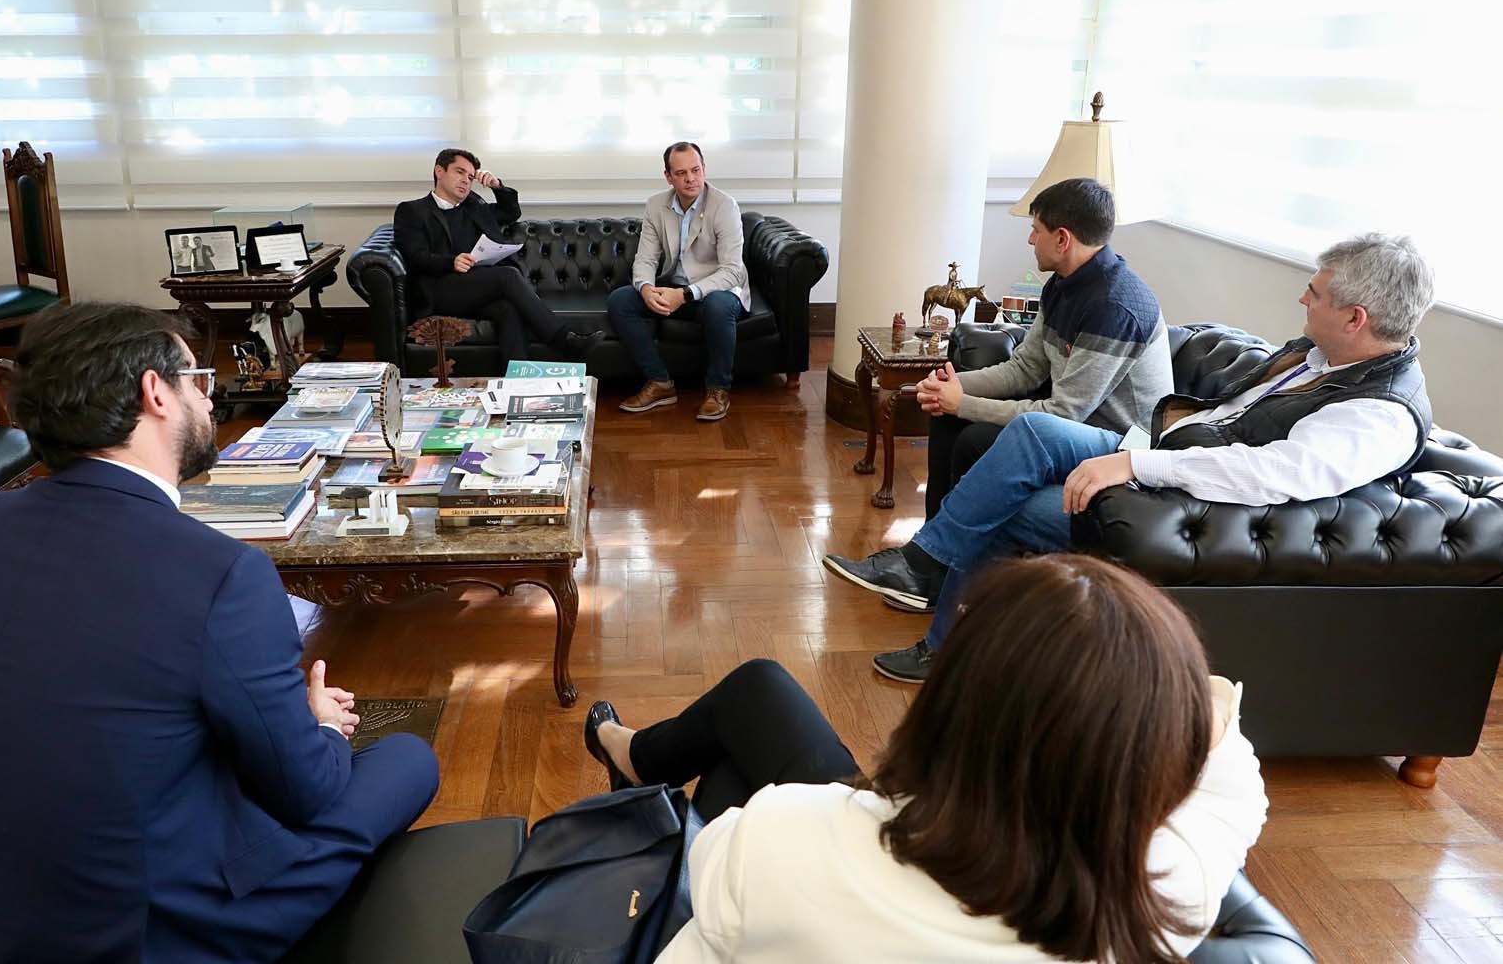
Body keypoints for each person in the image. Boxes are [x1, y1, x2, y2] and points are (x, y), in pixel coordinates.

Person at [0, 302, 441, 962]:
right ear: (155, 392)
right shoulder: (222, 572)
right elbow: (308, 793)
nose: (208, 398)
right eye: (197, 379)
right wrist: (323, 728)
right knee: (406, 760)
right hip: (142, 938)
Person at [582, 554, 1268, 963]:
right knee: (755, 706)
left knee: (746, 726)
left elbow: (708, 886)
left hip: (838, 859)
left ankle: (634, 759)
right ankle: (636, 758)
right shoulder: (1171, 894)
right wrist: (1159, 684)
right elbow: (1235, 780)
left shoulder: (778, 835)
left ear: (948, 704)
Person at [826, 232, 1437, 682]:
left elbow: (1265, 474)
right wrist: (1143, 449)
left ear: (1355, 317)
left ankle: (946, 648)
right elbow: (1226, 419)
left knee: (1009, 503)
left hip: (1180, 503)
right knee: (1035, 433)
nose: (1303, 297)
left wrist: (1136, 465)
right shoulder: (1323, 357)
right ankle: (924, 562)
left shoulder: (1376, 416)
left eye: (1316, 293)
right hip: (1158, 448)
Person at [915, 178, 1171, 552]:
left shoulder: (1113, 307)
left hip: (1119, 445)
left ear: (1062, 239)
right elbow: (1024, 368)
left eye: (1036, 230)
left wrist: (964, 404)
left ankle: (946, 553)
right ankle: (931, 546)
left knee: (974, 438)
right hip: (1076, 426)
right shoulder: (1061, 285)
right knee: (946, 418)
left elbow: (1064, 414)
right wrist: (951, 388)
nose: (1030, 239)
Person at [392, 147, 602, 363]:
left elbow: (511, 212)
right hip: (440, 288)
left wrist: (497, 187)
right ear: (439, 171)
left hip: (476, 286)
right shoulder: (412, 210)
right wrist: (451, 262)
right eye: (459, 172)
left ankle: (517, 377)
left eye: (470, 177)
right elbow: (414, 255)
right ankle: (564, 340)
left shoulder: (473, 206)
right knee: (508, 275)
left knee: (507, 309)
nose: (465, 180)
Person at [607, 141, 749, 422]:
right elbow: (646, 259)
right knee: (620, 300)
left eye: (696, 170)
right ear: (668, 176)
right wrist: (646, 289)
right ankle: (660, 382)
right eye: (681, 173)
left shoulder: (724, 205)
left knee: (719, 306)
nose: (690, 178)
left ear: (704, 169)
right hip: (674, 288)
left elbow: (732, 271)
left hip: (716, 290)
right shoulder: (656, 205)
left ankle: (718, 389)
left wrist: (684, 294)